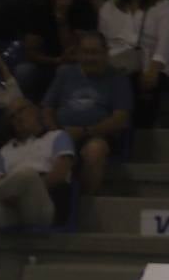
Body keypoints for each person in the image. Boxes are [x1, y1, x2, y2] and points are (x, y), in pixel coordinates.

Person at [0, 98, 75, 280]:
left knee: (27, 175)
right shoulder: (5, 150)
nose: (17, 117)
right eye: (12, 116)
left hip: (43, 204)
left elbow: (60, 173)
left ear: (35, 110)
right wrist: (14, 192)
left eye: (21, 111)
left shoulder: (57, 137)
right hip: (12, 205)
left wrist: (24, 187)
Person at [41, 30, 131, 193]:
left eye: (95, 52)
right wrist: (56, 133)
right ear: (78, 54)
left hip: (98, 135)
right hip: (61, 133)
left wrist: (85, 131)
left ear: (106, 53)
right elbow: (47, 108)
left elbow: (120, 118)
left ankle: (85, 204)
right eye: (85, 52)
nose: (90, 58)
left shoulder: (118, 78)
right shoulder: (64, 73)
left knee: (95, 151)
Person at [97, 0, 169, 127]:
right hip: (117, 68)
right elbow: (103, 44)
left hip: (155, 69)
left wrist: (152, 70)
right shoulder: (108, 8)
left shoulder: (164, 7)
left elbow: (165, 44)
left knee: (141, 84)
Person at [16, 0, 98, 100]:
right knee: (23, 71)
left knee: (65, 70)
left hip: (78, 67)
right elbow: (31, 52)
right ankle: (31, 112)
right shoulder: (37, 6)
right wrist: (56, 60)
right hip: (48, 63)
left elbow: (74, 53)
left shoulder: (84, 7)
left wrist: (62, 18)